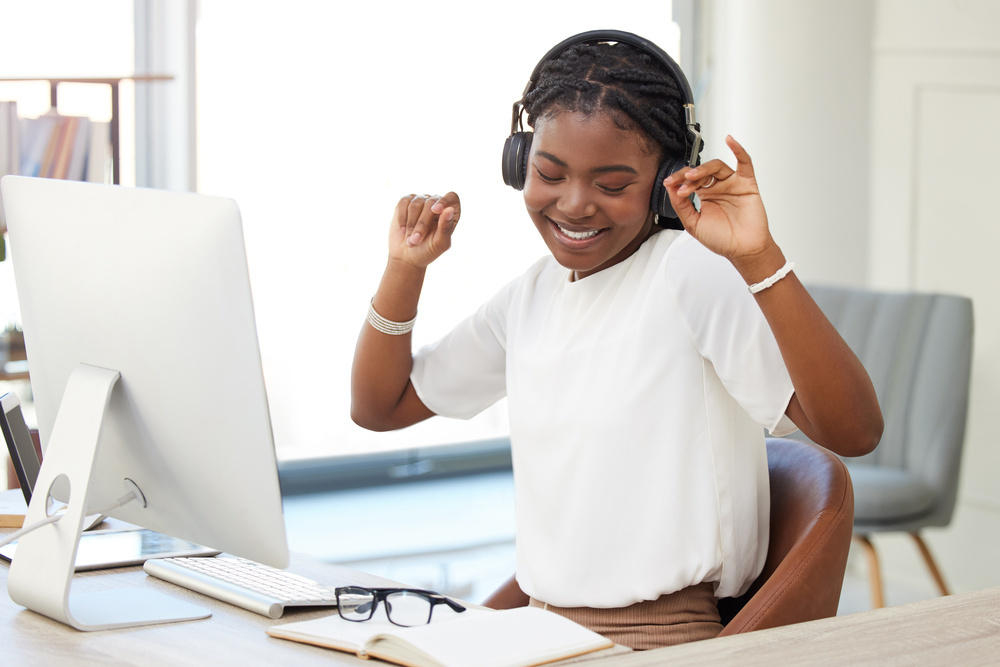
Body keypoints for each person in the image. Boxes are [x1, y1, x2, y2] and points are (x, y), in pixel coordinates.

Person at [350, 31, 882, 650]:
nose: (574, 205)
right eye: (550, 174)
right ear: (520, 162)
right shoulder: (533, 294)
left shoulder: (687, 270)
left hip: (653, 642)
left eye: (612, 184)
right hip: (537, 636)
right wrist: (404, 269)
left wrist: (760, 259)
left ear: (666, 182)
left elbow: (855, 431)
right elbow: (378, 407)